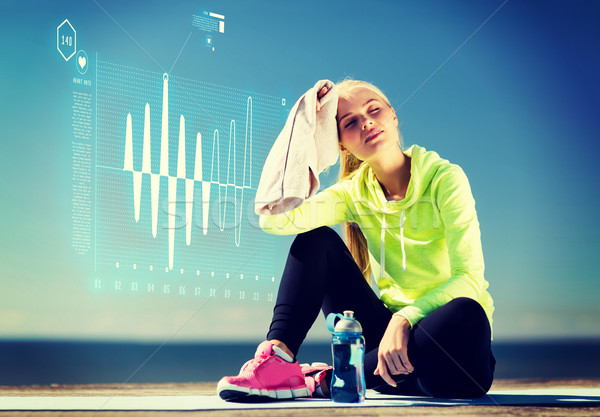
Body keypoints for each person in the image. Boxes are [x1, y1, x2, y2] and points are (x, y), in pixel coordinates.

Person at [217, 79, 495, 401]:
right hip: (385, 344)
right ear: (341, 145)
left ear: (392, 115)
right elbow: (273, 218)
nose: (366, 121)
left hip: (449, 354)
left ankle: (334, 378)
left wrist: (404, 320)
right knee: (316, 240)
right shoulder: (353, 194)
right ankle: (278, 362)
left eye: (373, 110)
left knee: (465, 312)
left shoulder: (445, 179)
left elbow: (470, 279)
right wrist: (306, 128)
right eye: (349, 122)